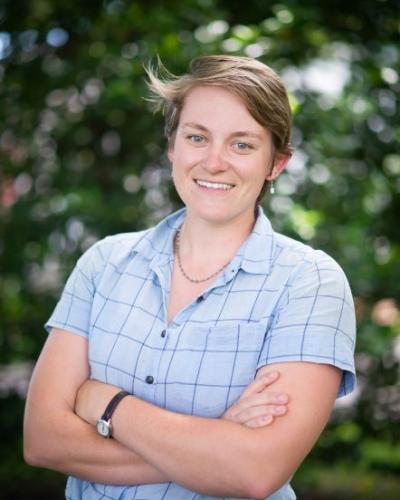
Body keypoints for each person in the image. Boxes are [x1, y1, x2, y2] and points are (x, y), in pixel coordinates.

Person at [23, 55, 356, 499]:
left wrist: (107, 404)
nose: (214, 162)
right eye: (198, 137)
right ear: (172, 148)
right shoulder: (105, 262)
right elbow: (43, 439)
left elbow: (254, 473)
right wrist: (216, 441)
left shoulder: (310, 283)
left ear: (276, 163)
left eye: (242, 145)